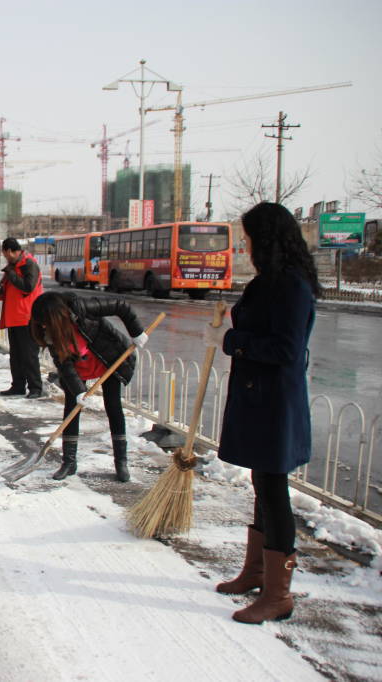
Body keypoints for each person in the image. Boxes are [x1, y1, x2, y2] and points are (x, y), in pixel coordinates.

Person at [210, 202, 320, 625]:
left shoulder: (292, 286)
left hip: (276, 405)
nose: (245, 244)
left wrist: (236, 341)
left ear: (267, 239)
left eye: (250, 237)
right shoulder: (270, 281)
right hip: (259, 400)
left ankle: (279, 595)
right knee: (262, 485)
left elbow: (287, 349)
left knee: (275, 493)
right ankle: (256, 572)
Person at [29, 292, 148, 481]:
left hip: (107, 357)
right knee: (72, 407)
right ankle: (69, 462)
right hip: (78, 366)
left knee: (113, 405)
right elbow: (64, 365)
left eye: (45, 322)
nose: (43, 326)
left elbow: (120, 304)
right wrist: (78, 392)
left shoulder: (82, 307)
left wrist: (136, 332)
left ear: (56, 316)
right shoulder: (49, 333)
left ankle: (121, 462)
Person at [0, 238, 45, 398]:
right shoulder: (14, 267)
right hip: (14, 317)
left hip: (27, 318)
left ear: (11, 251)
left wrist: (11, 274)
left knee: (29, 355)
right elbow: (11, 291)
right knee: (16, 356)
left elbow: (27, 287)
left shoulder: (28, 265)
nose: (6, 257)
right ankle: (18, 386)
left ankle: (35, 388)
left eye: (6, 255)